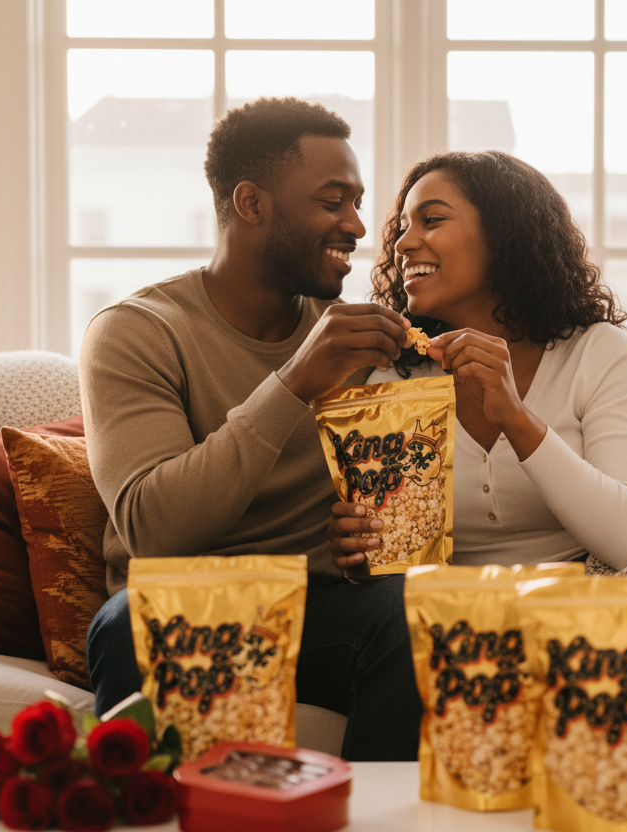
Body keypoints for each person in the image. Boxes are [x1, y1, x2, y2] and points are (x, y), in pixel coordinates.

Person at [80, 97, 422, 761]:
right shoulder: (136, 332)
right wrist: (295, 381)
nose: (356, 225)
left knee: (414, 609)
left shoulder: (361, 333)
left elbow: (509, 409)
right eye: (333, 202)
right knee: (129, 625)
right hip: (188, 601)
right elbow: (153, 527)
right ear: (251, 204)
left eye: (358, 202)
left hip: (322, 609)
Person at [328, 151, 627, 573]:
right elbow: (392, 558)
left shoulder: (598, 353)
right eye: (402, 228)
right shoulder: (394, 374)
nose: (402, 244)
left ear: (505, 235)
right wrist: (361, 549)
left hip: (584, 604)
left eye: (431, 220)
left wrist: (515, 416)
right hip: (450, 612)